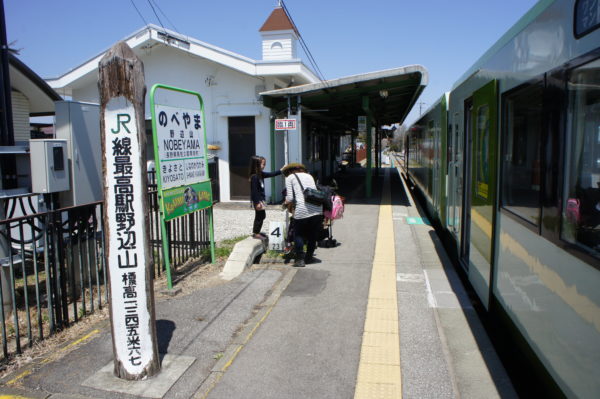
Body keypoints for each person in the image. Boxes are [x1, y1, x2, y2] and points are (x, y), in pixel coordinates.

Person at [282, 163, 323, 267]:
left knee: (298, 234)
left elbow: (290, 198)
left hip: (302, 210)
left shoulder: (290, 178)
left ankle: (300, 259)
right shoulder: (309, 176)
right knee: (312, 235)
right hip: (317, 209)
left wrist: (285, 203)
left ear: (289, 171)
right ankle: (309, 257)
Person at [249, 155, 281, 239]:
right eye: (262, 164)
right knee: (259, 216)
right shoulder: (254, 177)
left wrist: (281, 171)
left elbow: (271, 174)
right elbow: (254, 191)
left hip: (261, 199)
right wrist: (256, 203)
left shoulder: (260, 174)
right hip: (258, 200)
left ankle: (257, 232)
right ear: (256, 165)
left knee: (262, 216)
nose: (264, 166)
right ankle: (256, 233)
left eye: (264, 164)